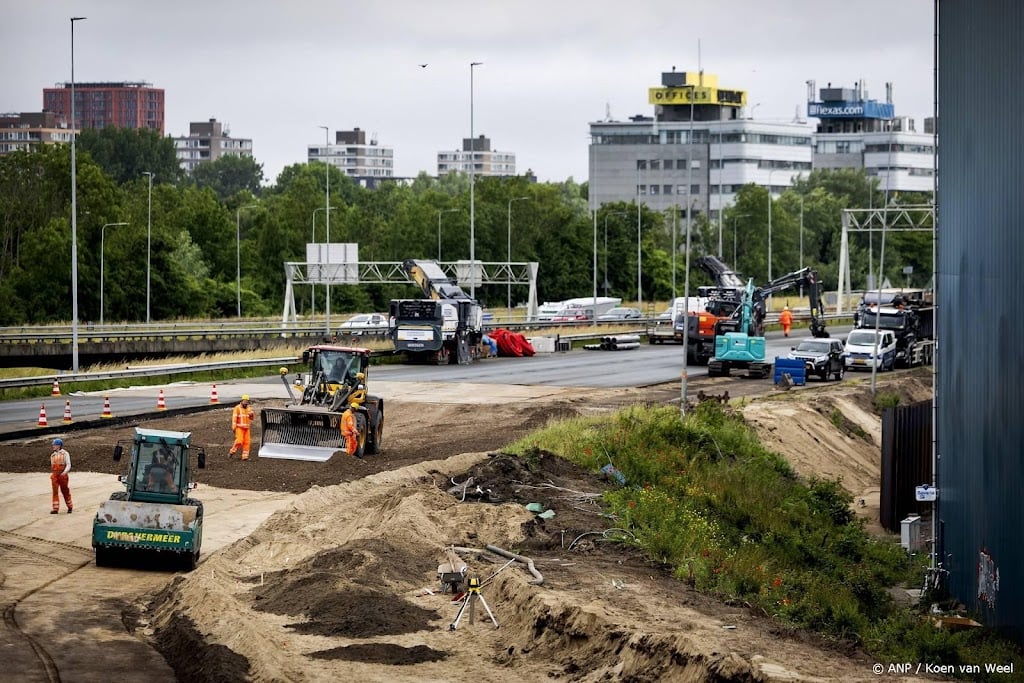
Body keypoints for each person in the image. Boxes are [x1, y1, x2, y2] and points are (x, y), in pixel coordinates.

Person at [229, 394, 256, 461]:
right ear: (242, 400)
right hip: (239, 428)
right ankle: (232, 451)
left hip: (247, 428)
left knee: (247, 442)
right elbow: (234, 418)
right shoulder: (237, 408)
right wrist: (234, 427)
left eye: (247, 401)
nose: (246, 402)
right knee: (239, 440)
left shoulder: (249, 408)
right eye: (245, 401)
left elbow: (252, 418)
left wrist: (252, 414)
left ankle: (245, 456)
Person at [49, 438, 73, 514]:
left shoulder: (65, 454)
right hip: (55, 475)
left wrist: (64, 472)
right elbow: (52, 465)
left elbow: (68, 464)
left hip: (62, 475)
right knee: (55, 491)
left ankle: (70, 506)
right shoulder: (52, 455)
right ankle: (55, 508)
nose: (53, 446)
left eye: (54, 445)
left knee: (65, 491)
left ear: (58, 445)